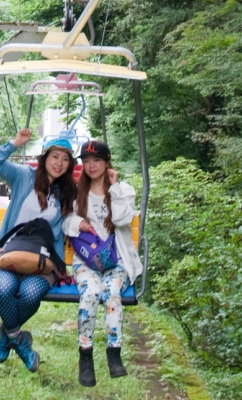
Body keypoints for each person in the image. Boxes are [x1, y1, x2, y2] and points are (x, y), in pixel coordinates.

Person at [0, 128, 77, 372]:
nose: (60, 163)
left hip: (45, 261)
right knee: (4, 288)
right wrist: (15, 143)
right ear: (45, 157)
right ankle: (20, 340)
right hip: (11, 253)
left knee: (30, 293)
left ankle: (7, 337)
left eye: (66, 159)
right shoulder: (24, 176)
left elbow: (84, 216)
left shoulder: (68, 193)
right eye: (55, 156)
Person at [62, 140, 143, 387]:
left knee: (111, 292)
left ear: (107, 162)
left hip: (117, 262)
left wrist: (114, 186)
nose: (91, 165)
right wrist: (78, 224)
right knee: (90, 293)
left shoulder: (124, 190)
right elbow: (65, 223)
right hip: (87, 262)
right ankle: (85, 358)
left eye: (96, 160)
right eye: (86, 161)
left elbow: (120, 219)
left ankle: (114, 354)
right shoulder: (78, 194)